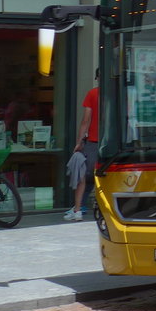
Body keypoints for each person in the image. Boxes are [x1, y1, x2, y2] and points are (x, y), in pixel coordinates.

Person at [65, 71, 99, 221]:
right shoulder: (117, 94)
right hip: (111, 144)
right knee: (103, 176)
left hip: (93, 142)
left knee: (82, 175)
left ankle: (78, 209)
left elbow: (86, 120)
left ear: (97, 78)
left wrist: (79, 142)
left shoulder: (92, 94)